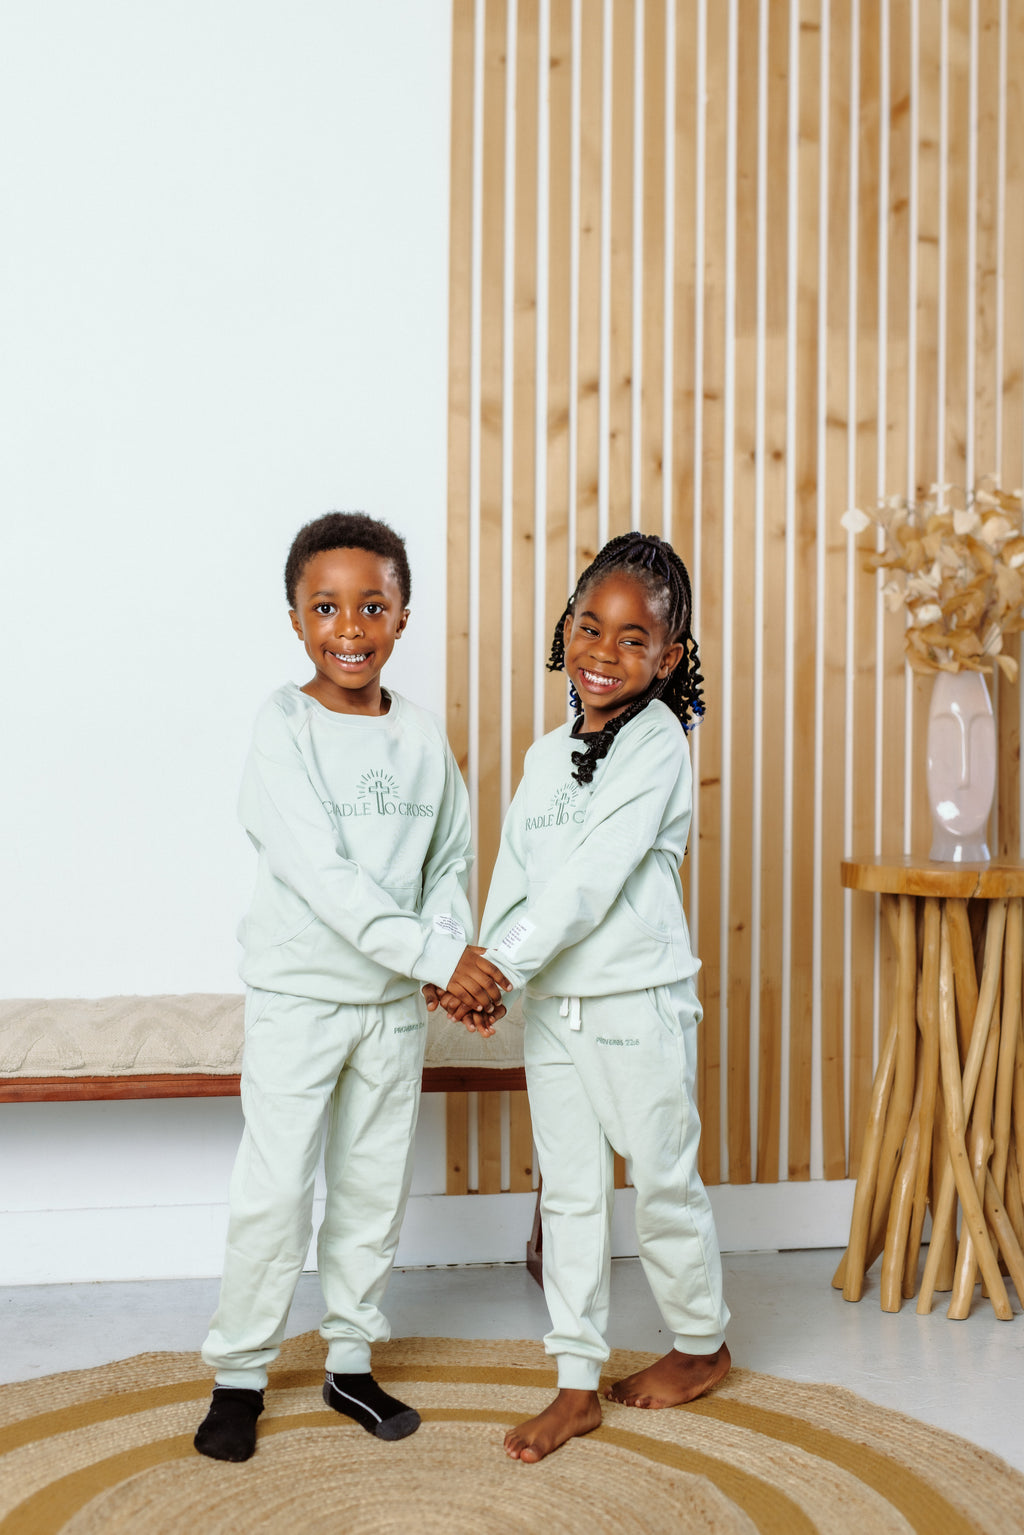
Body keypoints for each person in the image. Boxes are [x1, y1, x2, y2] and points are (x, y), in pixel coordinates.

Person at [195, 512, 508, 1462]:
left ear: (403, 616)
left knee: (372, 1190)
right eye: (326, 607)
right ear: (295, 618)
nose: (350, 627)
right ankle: (239, 1375)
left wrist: (444, 960)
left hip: (389, 1011)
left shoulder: (421, 736)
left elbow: (448, 862)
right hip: (300, 997)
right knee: (275, 1190)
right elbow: (324, 878)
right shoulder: (282, 727)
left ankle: (350, 1362)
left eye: (373, 606)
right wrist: (437, 959)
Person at [441, 530, 731, 1463]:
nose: (605, 651)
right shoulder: (544, 755)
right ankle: (575, 1383)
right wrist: (487, 972)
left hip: (635, 1002)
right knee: (567, 1193)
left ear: (669, 657)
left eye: (634, 638)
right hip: (554, 1008)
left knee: (662, 1178)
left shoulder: (658, 746)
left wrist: (502, 963)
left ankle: (701, 1341)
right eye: (591, 626)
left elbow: (590, 881)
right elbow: (520, 873)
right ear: (566, 627)